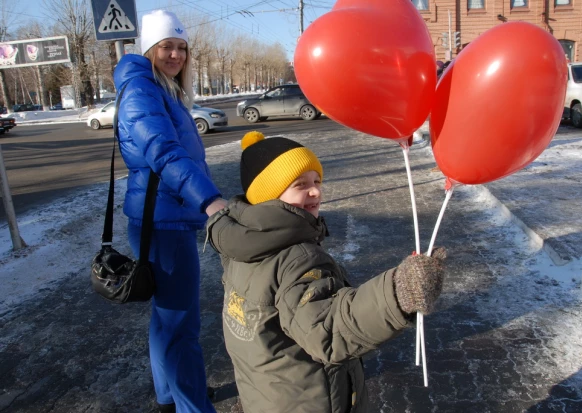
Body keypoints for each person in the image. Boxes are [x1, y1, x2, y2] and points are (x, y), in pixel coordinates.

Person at [206, 131, 447, 413]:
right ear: (268, 196)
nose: (316, 191)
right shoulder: (297, 259)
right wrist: (398, 292)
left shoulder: (241, 243)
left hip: (265, 396)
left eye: (317, 181)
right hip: (312, 401)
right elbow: (328, 330)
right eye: (300, 184)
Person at [113, 10, 225, 413]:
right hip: (163, 224)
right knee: (180, 327)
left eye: (181, 47)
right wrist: (209, 199)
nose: (175, 55)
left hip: (163, 217)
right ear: (149, 48)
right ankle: (192, 406)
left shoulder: (160, 88)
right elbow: (163, 152)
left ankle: (170, 395)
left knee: (167, 321)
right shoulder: (143, 91)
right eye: (167, 46)